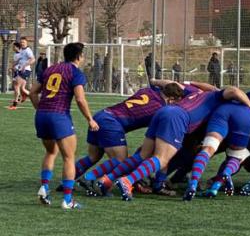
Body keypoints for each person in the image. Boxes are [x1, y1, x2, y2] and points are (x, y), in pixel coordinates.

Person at [114, 84, 250, 201]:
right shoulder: (216, 96)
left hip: (164, 111)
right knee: (162, 158)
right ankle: (128, 180)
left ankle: (106, 180)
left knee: (144, 155)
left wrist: (155, 80)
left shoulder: (195, 92)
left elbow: (174, 83)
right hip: (177, 117)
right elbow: (234, 91)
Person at [74, 80, 186, 194]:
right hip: (112, 122)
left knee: (93, 156)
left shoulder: (148, 90)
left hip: (101, 115)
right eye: (177, 103)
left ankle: (67, 181)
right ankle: (88, 178)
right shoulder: (161, 110)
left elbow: (156, 83)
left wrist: (161, 82)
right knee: (120, 159)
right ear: (171, 99)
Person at [29, 42, 98, 210]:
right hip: (59, 116)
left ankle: (44, 187)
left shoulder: (50, 69)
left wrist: (42, 109)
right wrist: (90, 119)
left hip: (41, 116)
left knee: (51, 152)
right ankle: (67, 200)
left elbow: (32, 92)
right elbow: (80, 99)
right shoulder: (75, 72)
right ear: (79, 56)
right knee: (68, 158)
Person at [10, 37, 35, 110]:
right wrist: (14, 65)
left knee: (16, 86)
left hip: (25, 70)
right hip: (20, 70)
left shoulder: (28, 50)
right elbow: (19, 59)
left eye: (23, 42)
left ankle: (14, 104)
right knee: (22, 88)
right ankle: (32, 97)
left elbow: (33, 59)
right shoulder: (21, 50)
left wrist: (24, 66)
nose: (22, 43)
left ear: (26, 43)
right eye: (21, 42)